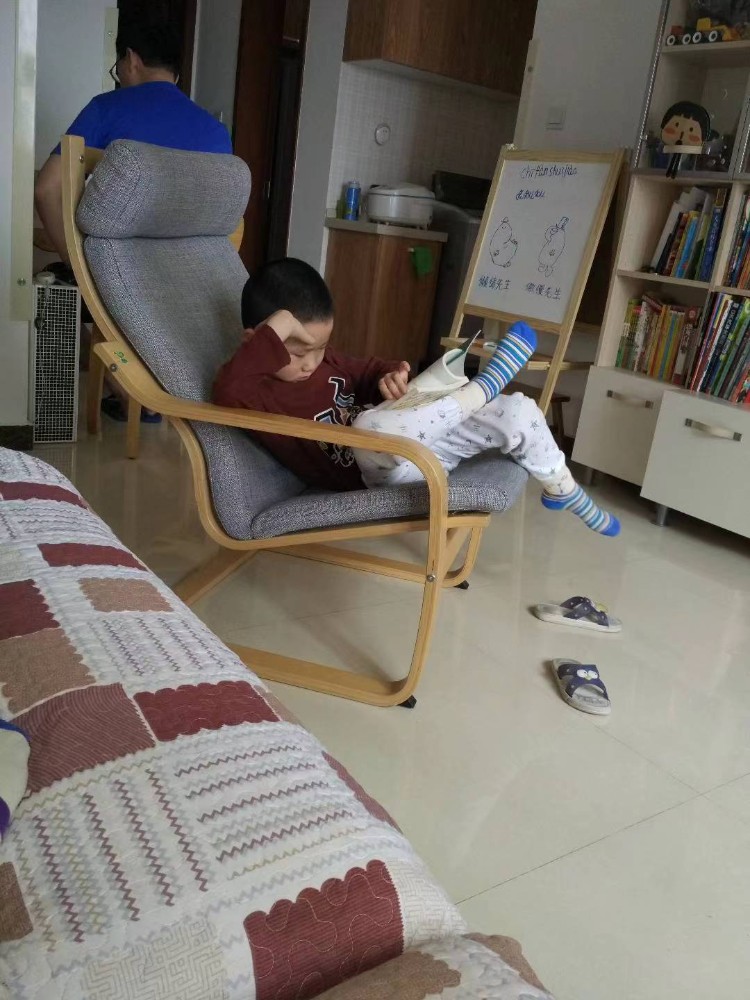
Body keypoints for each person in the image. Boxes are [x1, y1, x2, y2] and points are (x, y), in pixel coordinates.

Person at [213, 259, 620, 536]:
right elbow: (225, 388)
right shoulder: (252, 390)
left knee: (517, 409)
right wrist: (280, 325)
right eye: (298, 351)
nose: (311, 363)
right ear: (259, 340)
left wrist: (393, 376)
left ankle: (562, 488)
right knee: (367, 427)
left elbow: (369, 369)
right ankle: (481, 387)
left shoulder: (326, 362)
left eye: (320, 348)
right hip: (378, 472)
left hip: (422, 443)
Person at [34, 15, 232, 263]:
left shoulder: (105, 108)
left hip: (119, 275)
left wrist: (77, 266)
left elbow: (46, 189)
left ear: (131, 59)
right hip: (193, 275)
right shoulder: (217, 132)